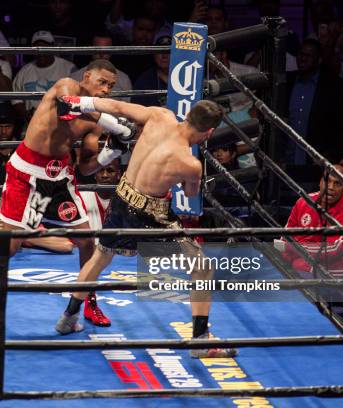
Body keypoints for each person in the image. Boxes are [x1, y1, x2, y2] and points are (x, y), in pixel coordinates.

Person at [53, 97, 236, 358]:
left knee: (100, 257)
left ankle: (67, 318)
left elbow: (115, 107)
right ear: (209, 132)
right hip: (152, 213)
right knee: (202, 268)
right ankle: (200, 341)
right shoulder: (190, 163)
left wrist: (78, 102)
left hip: (122, 196)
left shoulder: (160, 115)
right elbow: (190, 192)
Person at [0, 59, 135, 324]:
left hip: (59, 178)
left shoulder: (94, 125)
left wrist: (111, 152)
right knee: (9, 246)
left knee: (87, 242)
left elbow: (86, 169)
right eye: (102, 82)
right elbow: (70, 106)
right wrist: (115, 123)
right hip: (26, 175)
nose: (106, 90)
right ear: (87, 76)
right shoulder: (66, 85)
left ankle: (87, 300)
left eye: (111, 86)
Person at [280, 164, 343, 277]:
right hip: (304, 260)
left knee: (299, 267)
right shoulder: (303, 201)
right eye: (327, 181)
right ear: (320, 182)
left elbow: (334, 250)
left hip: (341, 267)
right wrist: (289, 257)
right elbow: (285, 237)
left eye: (337, 183)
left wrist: (294, 248)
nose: (331, 187)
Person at [12, 31, 77, 119]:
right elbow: (16, 100)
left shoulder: (68, 68)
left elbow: (77, 98)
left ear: (52, 46)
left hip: (60, 124)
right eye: (37, 47)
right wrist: (28, 116)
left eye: (45, 46)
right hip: (33, 125)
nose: (41, 50)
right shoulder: (24, 71)